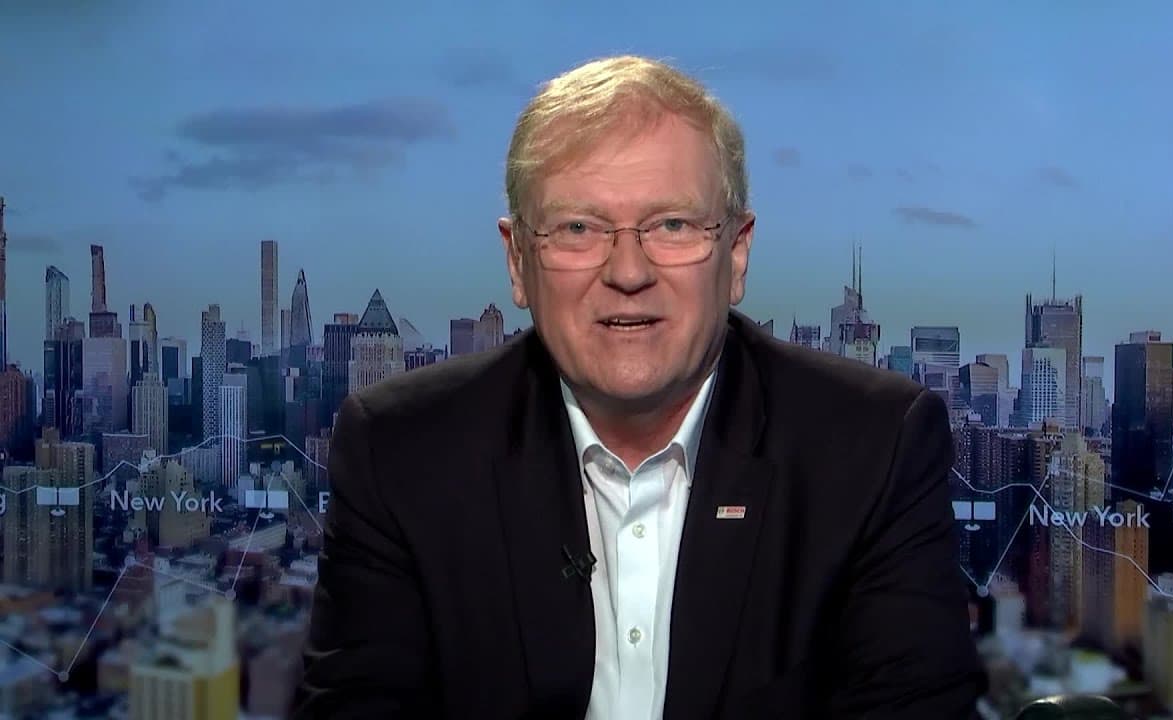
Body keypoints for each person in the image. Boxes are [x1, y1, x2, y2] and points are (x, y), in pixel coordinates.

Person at [292, 54, 986, 719]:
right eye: (578, 228)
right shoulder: (404, 452)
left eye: (672, 225)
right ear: (518, 260)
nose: (628, 270)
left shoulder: (873, 449)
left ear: (736, 253)